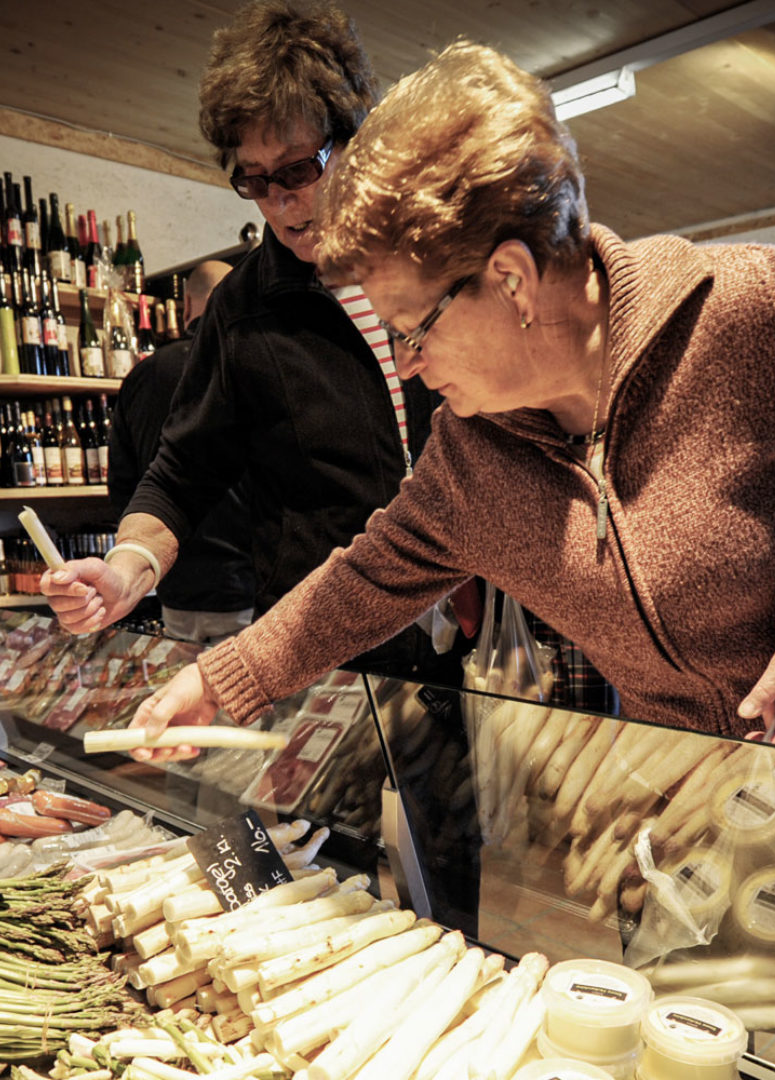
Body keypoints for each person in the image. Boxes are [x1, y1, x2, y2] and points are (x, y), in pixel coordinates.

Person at [122, 42, 775, 763]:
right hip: (702, 782)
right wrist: (219, 680)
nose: (413, 368)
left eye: (412, 330)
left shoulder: (754, 314)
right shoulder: (474, 450)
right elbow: (367, 578)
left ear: (509, 279)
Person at [41, 0, 460, 681]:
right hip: (333, 658)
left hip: (480, 642)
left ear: (356, 138)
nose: (280, 202)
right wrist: (127, 572)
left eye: (298, 170)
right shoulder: (244, 309)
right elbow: (181, 473)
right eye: (253, 181)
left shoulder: (440, 255)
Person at [108, 261, 255, 643]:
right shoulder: (247, 366)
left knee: (185, 699)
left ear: (186, 306)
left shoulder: (141, 376)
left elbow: (123, 489)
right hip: (245, 589)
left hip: (171, 587)